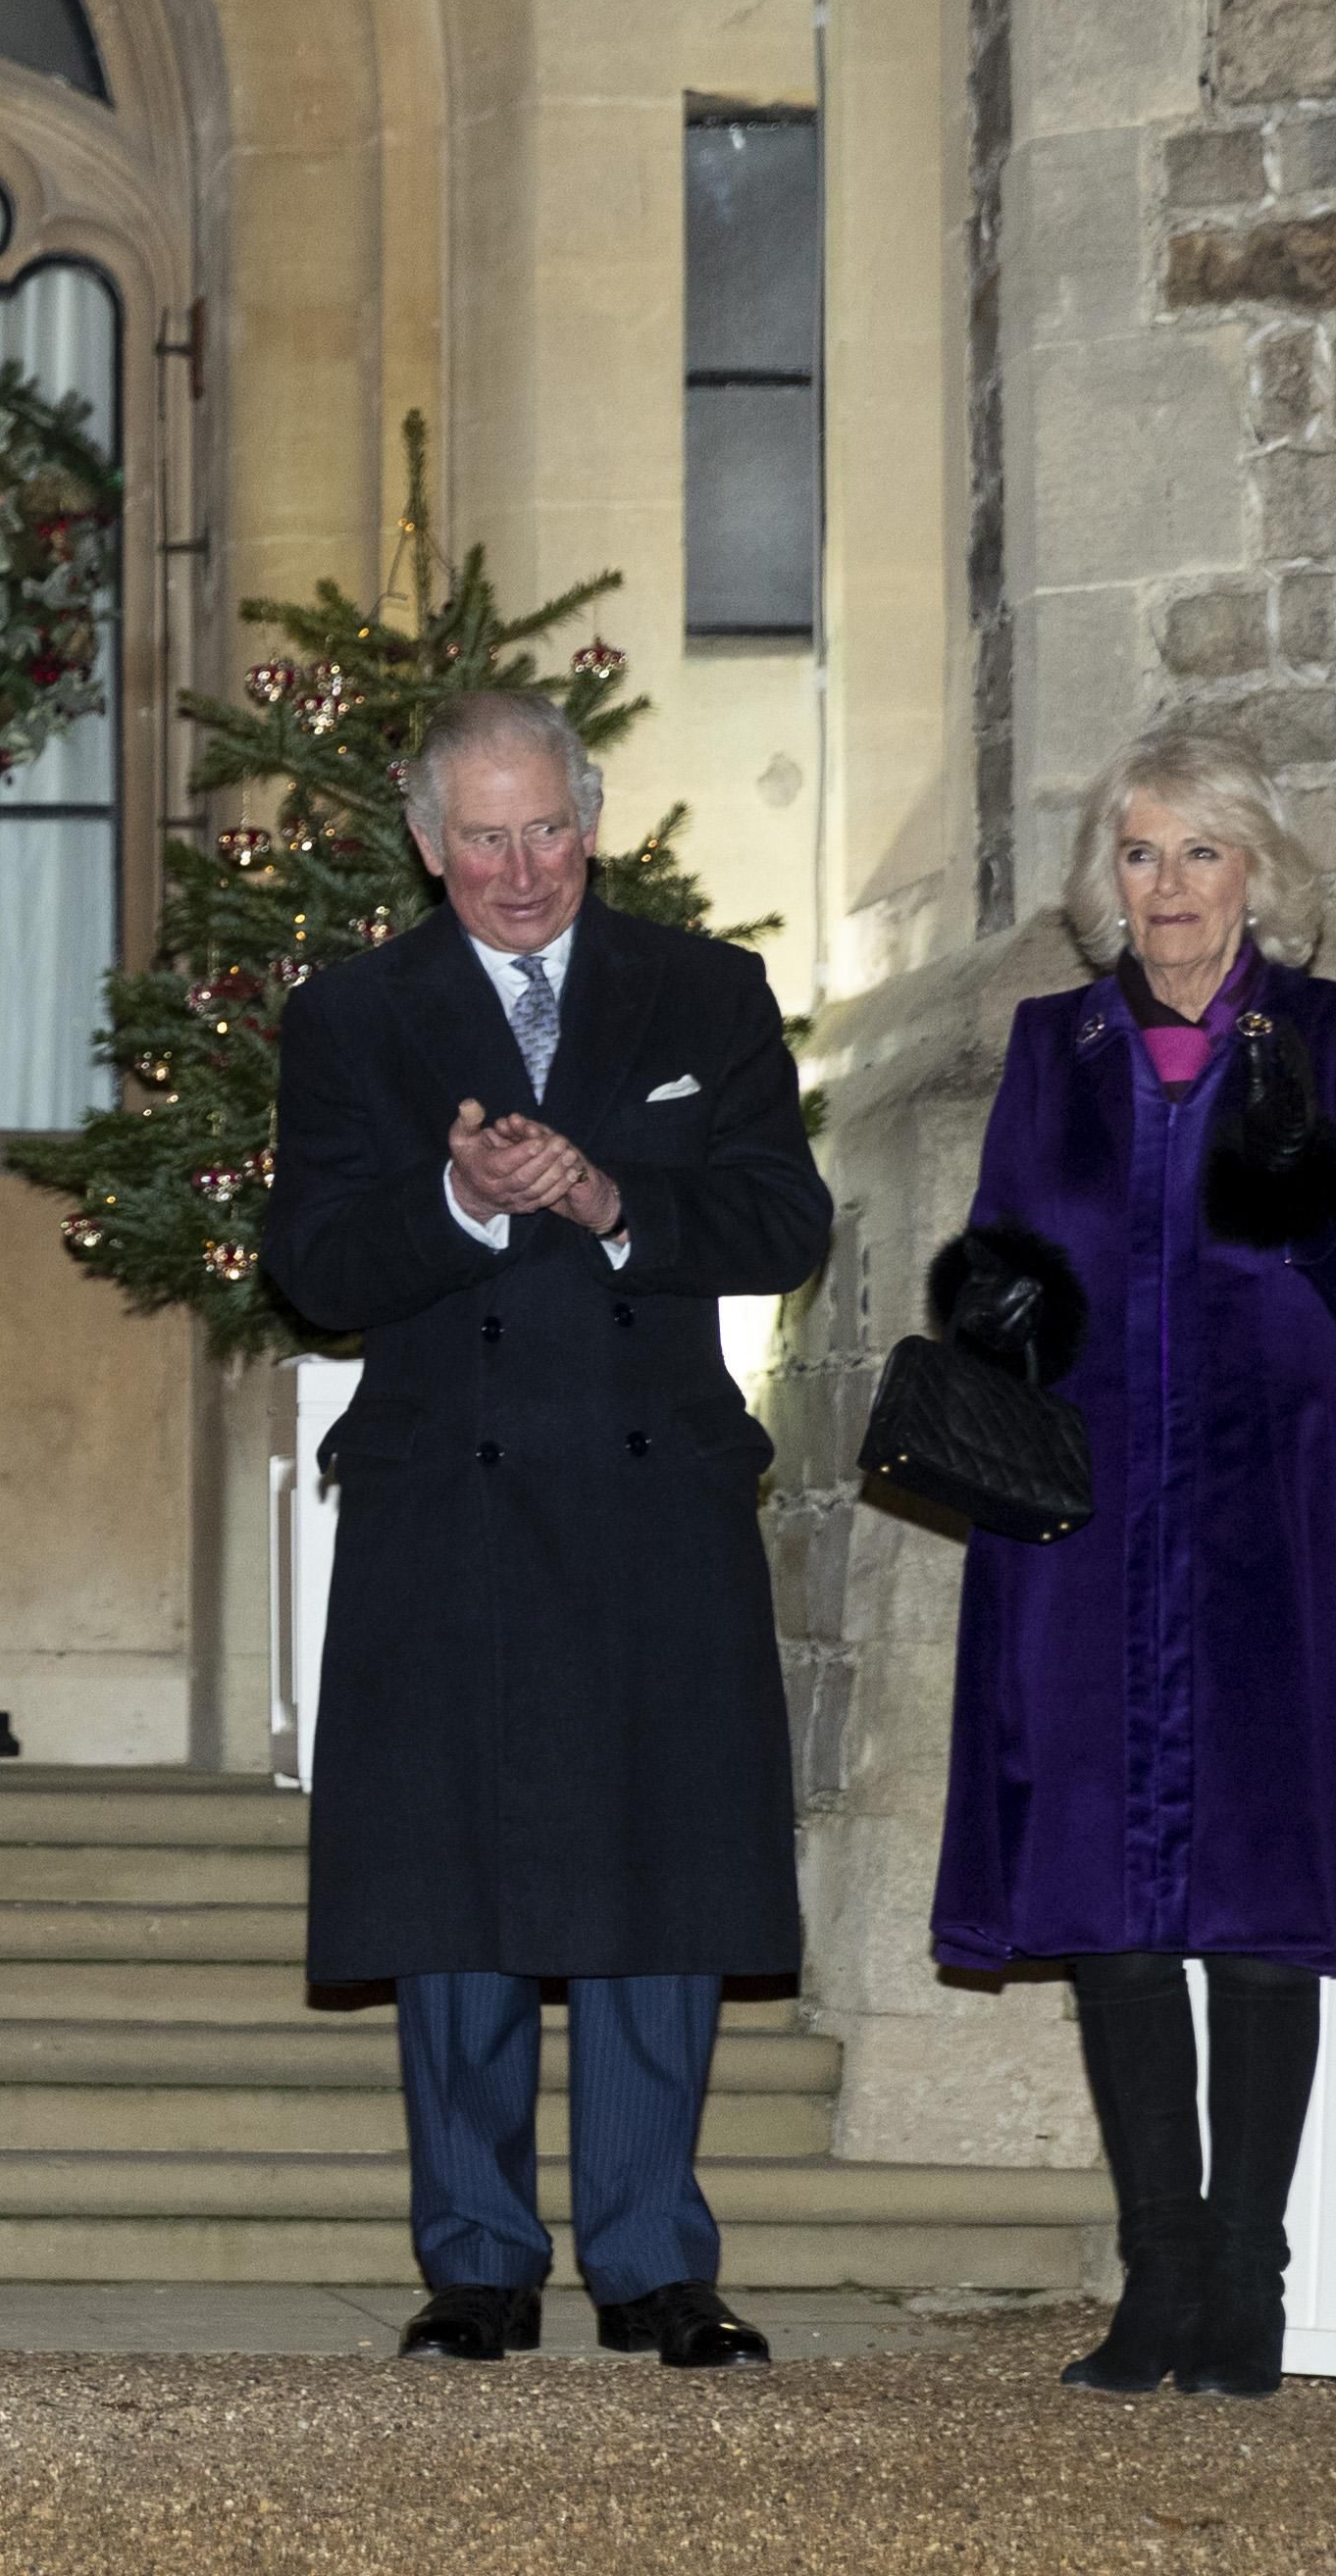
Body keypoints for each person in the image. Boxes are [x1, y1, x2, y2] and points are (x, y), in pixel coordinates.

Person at [262, 688, 833, 2371]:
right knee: (454, 1898)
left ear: (595, 822)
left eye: (552, 830)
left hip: (653, 1490)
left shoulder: (704, 990)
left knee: (662, 1889)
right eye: (486, 838)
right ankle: (477, 2263)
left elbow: (782, 1218)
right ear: (429, 848)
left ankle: (657, 2261)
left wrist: (605, 1203)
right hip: (452, 1502)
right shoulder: (354, 1015)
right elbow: (316, 1263)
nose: (524, 870)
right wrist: (457, 1204)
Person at [924, 730, 1336, 2399]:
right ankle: (1157, 2274)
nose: (1167, 888)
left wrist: (1309, 1199)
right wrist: (987, 1298)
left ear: (1258, 876)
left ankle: (1249, 2278)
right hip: (1090, 1519)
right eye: (1140, 856)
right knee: (1106, 1894)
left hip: (1272, 1513)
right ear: (1110, 883)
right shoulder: (1050, 1045)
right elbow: (1012, 1249)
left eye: (1200, 854)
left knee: (1258, 1889)